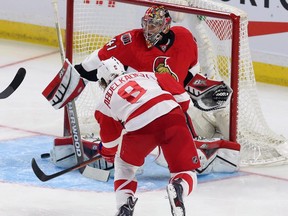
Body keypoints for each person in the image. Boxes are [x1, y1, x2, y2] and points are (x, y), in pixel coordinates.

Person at [43, 4, 240, 175]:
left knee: (175, 158)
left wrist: (202, 88)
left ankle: (209, 153)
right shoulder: (128, 42)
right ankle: (116, 158)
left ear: (166, 26)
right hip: (138, 112)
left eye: (153, 25)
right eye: (146, 23)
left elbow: (186, 76)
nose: (148, 29)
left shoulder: (185, 38)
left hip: (171, 109)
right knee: (129, 155)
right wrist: (69, 81)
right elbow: (91, 67)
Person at [94, 56, 200, 216]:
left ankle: (124, 206)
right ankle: (178, 187)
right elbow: (184, 101)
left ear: (102, 82)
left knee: (124, 166)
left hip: (139, 127)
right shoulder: (147, 75)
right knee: (185, 171)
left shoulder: (104, 101)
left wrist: (105, 152)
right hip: (172, 115)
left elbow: (110, 144)